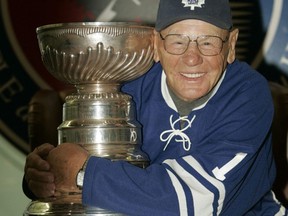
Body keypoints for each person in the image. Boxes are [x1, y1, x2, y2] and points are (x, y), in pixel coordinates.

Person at [23, 0, 288, 215]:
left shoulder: (247, 93)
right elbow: (75, 161)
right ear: (156, 45)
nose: (192, 57)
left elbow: (194, 201)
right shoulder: (128, 85)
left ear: (230, 46)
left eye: (208, 41)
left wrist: (83, 175)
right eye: (177, 40)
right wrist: (46, 174)